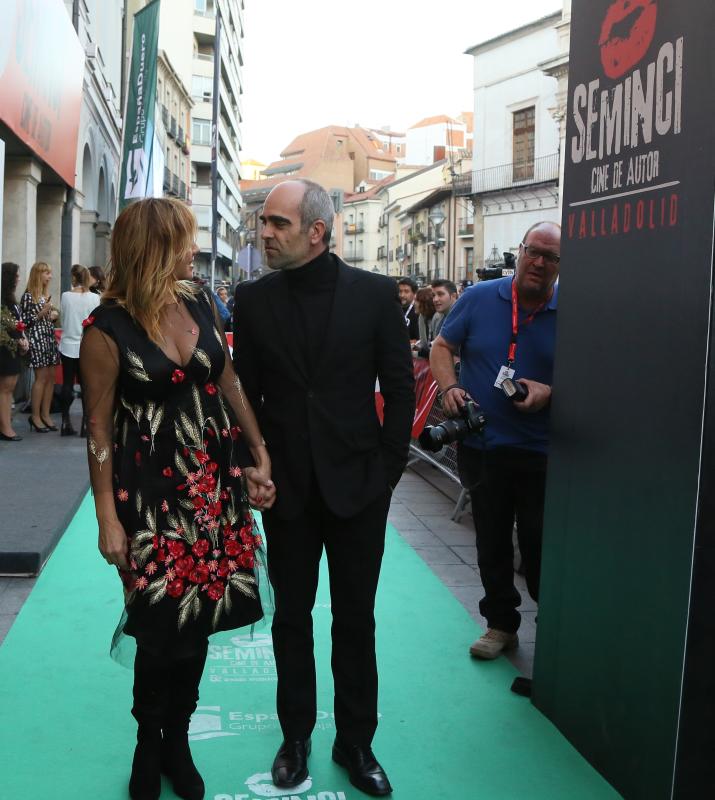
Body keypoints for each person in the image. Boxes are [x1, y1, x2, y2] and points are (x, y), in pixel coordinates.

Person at [79, 197, 276, 800]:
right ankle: (148, 743)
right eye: (186, 240)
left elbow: (228, 379)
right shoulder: (105, 331)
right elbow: (98, 430)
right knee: (160, 627)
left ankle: (179, 741)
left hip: (213, 493)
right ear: (154, 247)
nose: (194, 250)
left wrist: (257, 450)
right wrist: (107, 520)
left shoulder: (198, 300)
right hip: (148, 503)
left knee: (200, 622)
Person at [233, 179, 414, 797]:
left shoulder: (373, 294)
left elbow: (400, 386)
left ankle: (357, 742)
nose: (265, 233)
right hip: (288, 492)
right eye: (264, 223)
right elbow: (245, 402)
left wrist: (387, 473)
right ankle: (296, 736)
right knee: (292, 619)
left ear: (316, 230)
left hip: (360, 486)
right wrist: (253, 467)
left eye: (278, 224)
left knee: (355, 620)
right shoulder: (253, 301)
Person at [430, 222, 560, 695]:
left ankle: (554, 635)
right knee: (490, 538)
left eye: (551, 257)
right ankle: (501, 624)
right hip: (483, 445)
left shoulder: (573, 309)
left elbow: (598, 375)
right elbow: (443, 346)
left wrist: (551, 392)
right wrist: (449, 387)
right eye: (533, 252)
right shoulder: (481, 297)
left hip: (542, 450)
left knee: (542, 544)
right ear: (520, 251)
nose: (540, 262)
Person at [58, 264, 99, 436]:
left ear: (74, 278)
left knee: (67, 383)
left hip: (67, 343)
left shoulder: (65, 296)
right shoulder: (95, 298)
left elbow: (63, 317)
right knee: (86, 386)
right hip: (86, 345)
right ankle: (84, 425)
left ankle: (65, 422)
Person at [21, 261, 60, 432]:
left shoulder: (45, 295)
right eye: (47, 273)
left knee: (51, 378)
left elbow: (46, 318)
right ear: (38, 274)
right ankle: (35, 416)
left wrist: (53, 315)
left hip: (49, 338)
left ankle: (46, 414)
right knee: (41, 378)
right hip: (37, 340)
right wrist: (41, 314)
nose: (50, 276)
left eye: (49, 273)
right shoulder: (28, 295)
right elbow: (23, 323)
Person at [0, 262, 30, 441]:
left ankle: (5, 424)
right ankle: (5, 428)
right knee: (5, 389)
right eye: (17, 276)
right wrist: (18, 338)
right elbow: (6, 324)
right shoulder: (3, 299)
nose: (19, 279)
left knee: (8, 389)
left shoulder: (10, 298)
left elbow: (16, 322)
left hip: (14, 347)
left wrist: (23, 338)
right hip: (6, 349)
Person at [413, 286, 435, 358]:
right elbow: (425, 345)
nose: (414, 303)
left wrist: (414, 354)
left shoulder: (437, 317)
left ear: (424, 302)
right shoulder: (422, 317)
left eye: (416, 300)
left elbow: (435, 349)